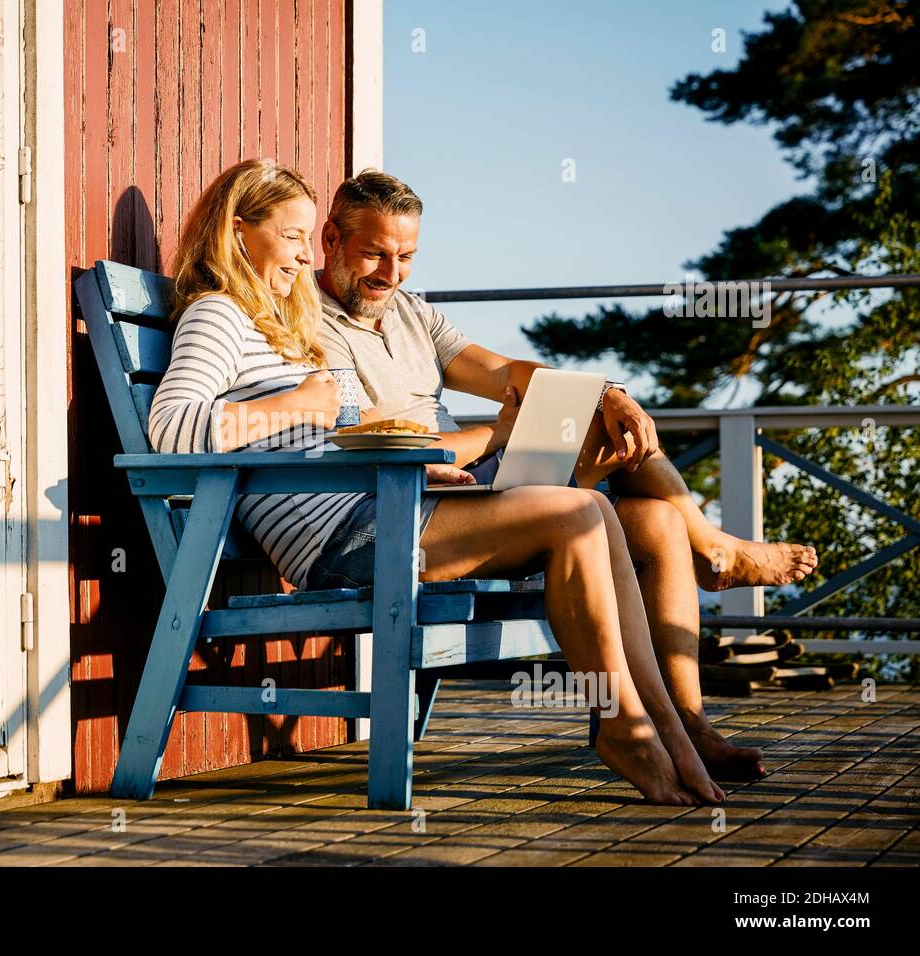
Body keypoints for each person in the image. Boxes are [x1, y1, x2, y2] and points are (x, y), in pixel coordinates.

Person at [150, 158, 722, 806]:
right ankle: (637, 729)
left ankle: (662, 726)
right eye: (291, 236)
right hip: (351, 533)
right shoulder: (218, 315)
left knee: (599, 498)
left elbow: (341, 422)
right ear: (237, 231)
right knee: (582, 512)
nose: (302, 254)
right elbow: (168, 429)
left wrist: (587, 397)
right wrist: (298, 407)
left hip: (391, 503)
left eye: (305, 237)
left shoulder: (277, 322)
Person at [313, 169, 819, 781]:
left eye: (406, 257)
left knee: (651, 509)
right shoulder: (306, 322)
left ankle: (689, 720)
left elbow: (506, 372)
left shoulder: (412, 314)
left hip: (473, 481)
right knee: (596, 488)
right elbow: (372, 442)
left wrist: (608, 392)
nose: (390, 275)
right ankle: (712, 550)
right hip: (409, 499)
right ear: (330, 238)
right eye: (374, 254)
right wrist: (497, 435)